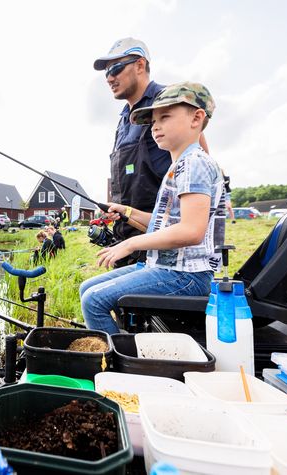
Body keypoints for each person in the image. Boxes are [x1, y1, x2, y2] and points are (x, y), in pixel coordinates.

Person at [79, 82, 225, 335]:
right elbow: (163, 224)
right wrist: (126, 211)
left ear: (196, 118)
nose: (155, 126)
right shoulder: (179, 166)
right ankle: (125, 343)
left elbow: (192, 231)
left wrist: (130, 244)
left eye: (165, 117)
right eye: (153, 120)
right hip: (165, 267)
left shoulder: (194, 164)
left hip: (185, 275)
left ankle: (121, 363)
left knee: (94, 301)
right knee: (87, 289)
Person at [94, 38, 209, 267]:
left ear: (139, 65)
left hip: (164, 241)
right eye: (106, 72)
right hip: (128, 235)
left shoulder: (171, 100)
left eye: (116, 68)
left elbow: (198, 157)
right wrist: (121, 210)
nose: (109, 77)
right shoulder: (123, 119)